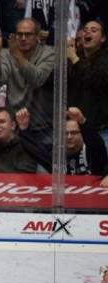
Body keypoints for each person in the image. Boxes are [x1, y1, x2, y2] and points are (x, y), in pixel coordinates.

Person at [0, 17, 54, 171]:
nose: (23, 38)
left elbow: (37, 79)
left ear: (37, 36)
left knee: (45, 176)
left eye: (28, 34)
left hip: (43, 127)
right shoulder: (6, 53)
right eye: (19, 34)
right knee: (17, 177)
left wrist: (18, 56)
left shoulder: (49, 54)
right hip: (17, 130)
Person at [67, 20, 108, 150]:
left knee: (100, 168)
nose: (88, 32)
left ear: (102, 38)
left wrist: (74, 59)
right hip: (74, 130)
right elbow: (53, 81)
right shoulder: (74, 57)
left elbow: (94, 79)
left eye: (93, 30)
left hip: (100, 130)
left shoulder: (105, 59)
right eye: (85, 30)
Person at [59, 107, 108, 185]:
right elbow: (37, 151)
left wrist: (82, 121)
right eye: (65, 133)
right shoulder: (55, 154)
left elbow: (97, 145)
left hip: (91, 195)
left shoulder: (92, 152)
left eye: (74, 132)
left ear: (82, 133)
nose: (69, 137)